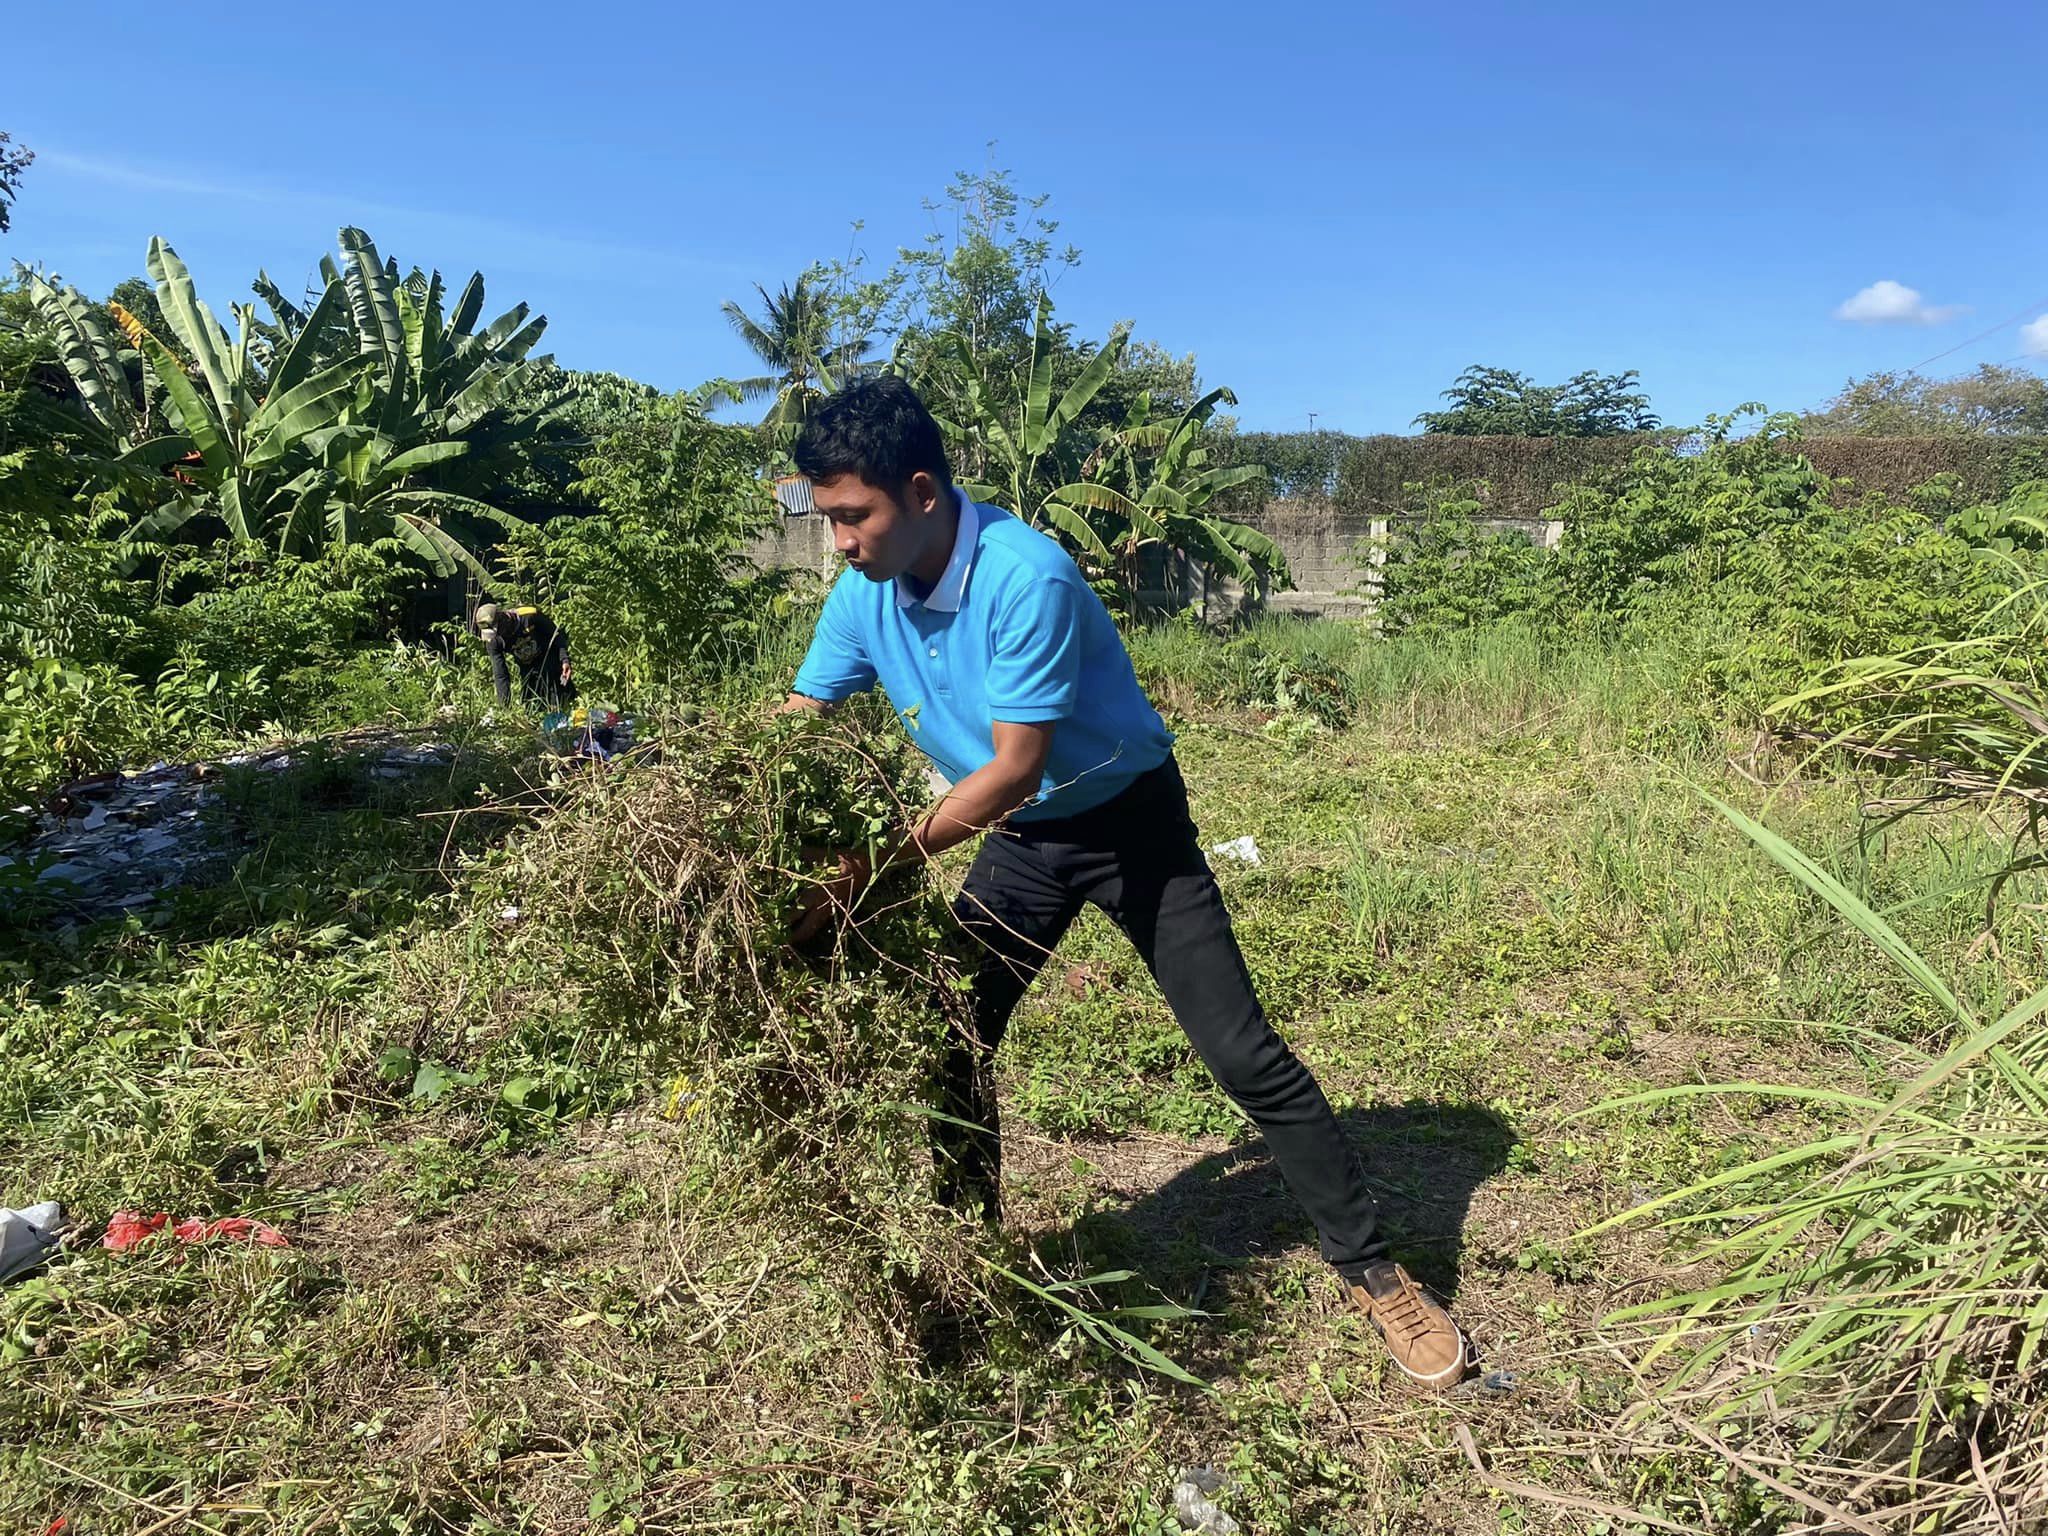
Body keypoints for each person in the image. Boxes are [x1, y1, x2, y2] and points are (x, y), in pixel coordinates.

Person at [779, 377, 1468, 1389]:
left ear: (919, 492)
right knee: (947, 1036)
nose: (837, 541)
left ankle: (1372, 1271)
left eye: (851, 517)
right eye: (826, 518)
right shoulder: (862, 592)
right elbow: (802, 715)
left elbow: (1015, 765)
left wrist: (864, 868)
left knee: (1240, 1054)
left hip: (1122, 823)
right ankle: (964, 1262)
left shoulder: (1024, 580)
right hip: (1019, 840)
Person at [475, 601, 574, 711]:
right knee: (531, 708)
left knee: (558, 701)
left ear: (503, 618)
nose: (497, 635)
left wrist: (565, 660)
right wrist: (504, 708)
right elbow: (501, 675)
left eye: (498, 631)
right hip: (527, 668)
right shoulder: (493, 641)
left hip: (550, 659)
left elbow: (556, 635)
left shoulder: (530, 616)